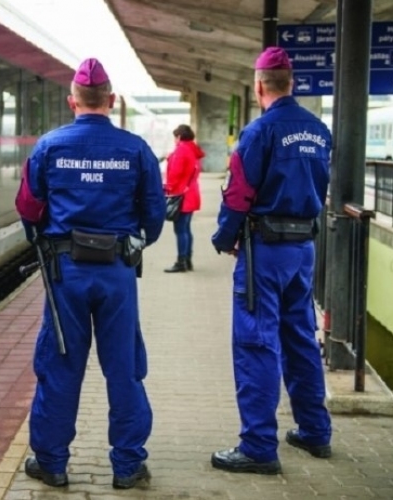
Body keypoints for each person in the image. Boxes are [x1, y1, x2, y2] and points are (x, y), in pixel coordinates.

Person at [14, 57, 165, 489]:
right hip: (117, 271)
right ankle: (128, 465)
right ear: (111, 101)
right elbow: (154, 214)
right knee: (124, 367)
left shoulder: (49, 146)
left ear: (72, 101)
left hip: (66, 274)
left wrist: (42, 238)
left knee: (60, 366)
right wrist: (136, 242)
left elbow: (28, 207)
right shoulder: (135, 149)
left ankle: (52, 464)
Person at [210, 46, 332, 475]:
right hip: (303, 251)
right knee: (300, 336)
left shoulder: (259, 132)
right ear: (292, 83)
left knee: (256, 342)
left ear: (259, 85)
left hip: (264, 251)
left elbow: (239, 193)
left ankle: (259, 446)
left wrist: (224, 237)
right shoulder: (319, 130)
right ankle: (315, 431)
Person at [163, 124, 204, 273]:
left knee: (180, 230)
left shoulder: (181, 150)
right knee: (186, 229)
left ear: (179, 136)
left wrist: (166, 189)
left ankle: (181, 262)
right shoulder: (193, 149)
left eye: (175, 137)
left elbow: (175, 174)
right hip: (191, 194)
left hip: (181, 196)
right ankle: (187, 260)